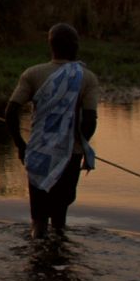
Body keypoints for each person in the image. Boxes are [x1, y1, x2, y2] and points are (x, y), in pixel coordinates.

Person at [5, 23, 99, 239]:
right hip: (69, 155)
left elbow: (10, 112)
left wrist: (21, 145)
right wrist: (82, 145)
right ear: (75, 46)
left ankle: (37, 256)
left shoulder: (33, 74)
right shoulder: (87, 78)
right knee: (59, 219)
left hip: (38, 153)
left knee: (38, 220)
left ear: (51, 45)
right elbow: (90, 121)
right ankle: (59, 262)